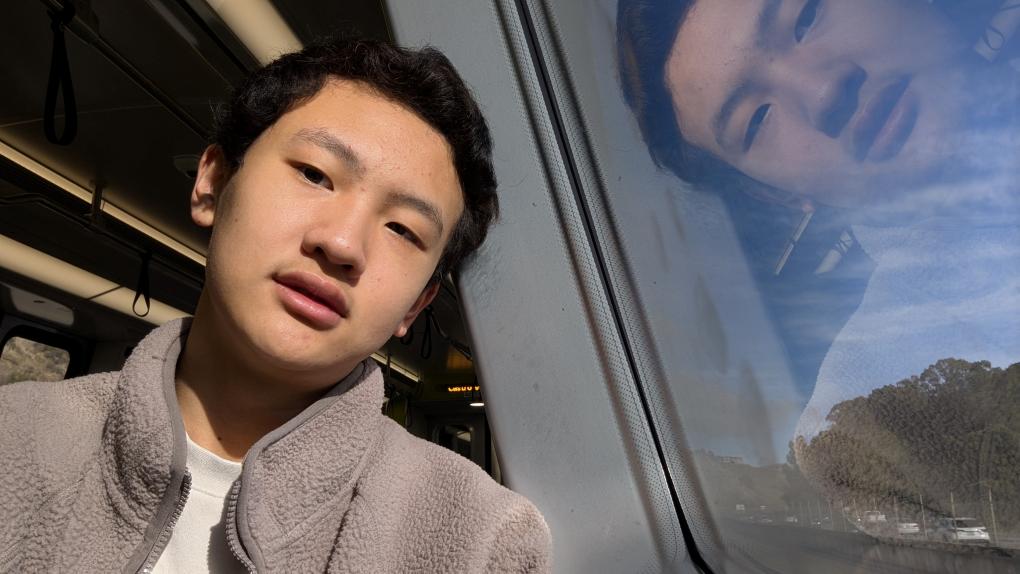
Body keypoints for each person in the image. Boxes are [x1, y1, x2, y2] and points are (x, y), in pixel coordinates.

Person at [0, 38, 551, 573]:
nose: (341, 245)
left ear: (417, 305)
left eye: (403, 230)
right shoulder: (15, 441)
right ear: (213, 182)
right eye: (315, 174)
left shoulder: (483, 543)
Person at [617, 0, 1019, 466]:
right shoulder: (870, 420)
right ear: (778, 196)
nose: (826, 92)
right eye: (756, 120)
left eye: (806, 17)